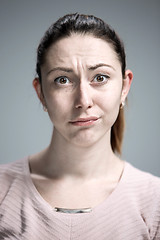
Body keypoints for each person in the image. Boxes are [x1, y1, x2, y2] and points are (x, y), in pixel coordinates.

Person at [0, 13, 160, 240]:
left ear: (124, 87)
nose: (83, 100)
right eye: (62, 80)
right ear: (41, 93)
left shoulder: (154, 202)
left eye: (100, 77)